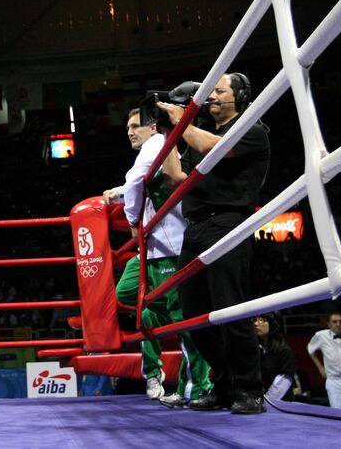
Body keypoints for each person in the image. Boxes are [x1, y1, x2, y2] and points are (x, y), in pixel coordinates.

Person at [159, 73, 270, 414]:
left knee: (230, 309)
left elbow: (214, 149)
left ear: (240, 96)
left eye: (220, 91)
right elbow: (174, 178)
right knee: (194, 314)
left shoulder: (252, 128)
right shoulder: (200, 136)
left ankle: (249, 389)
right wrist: (168, 134)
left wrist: (183, 122)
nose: (212, 97)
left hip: (228, 223)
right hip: (196, 229)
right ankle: (222, 385)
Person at [102, 109, 211, 405]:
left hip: (170, 246)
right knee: (144, 309)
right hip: (155, 250)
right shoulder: (154, 147)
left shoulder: (157, 142)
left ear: (153, 128)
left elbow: (138, 178)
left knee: (181, 319)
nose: (129, 131)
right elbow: (141, 182)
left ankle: (199, 386)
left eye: (135, 125)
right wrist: (121, 192)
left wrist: (133, 221)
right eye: (126, 126)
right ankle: (157, 372)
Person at [254, 313, 296, 402]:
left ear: (272, 324)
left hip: (280, 405)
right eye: (255, 320)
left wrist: (266, 402)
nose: (256, 324)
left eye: (261, 320)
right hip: (261, 404)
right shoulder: (258, 350)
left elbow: (283, 382)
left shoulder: (285, 351)